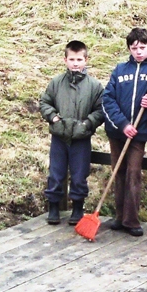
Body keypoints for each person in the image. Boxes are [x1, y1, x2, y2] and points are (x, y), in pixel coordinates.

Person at [102, 27, 147, 237]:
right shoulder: (120, 69)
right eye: (134, 48)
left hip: (140, 131)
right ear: (129, 49)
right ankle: (119, 216)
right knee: (119, 171)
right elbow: (108, 98)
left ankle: (131, 220)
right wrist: (123, 124)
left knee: (133, 172)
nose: (138, 51)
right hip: (118, 130)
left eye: (142, 47)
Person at [40, 40, 104, 226]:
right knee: (56, 173)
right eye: (72, 59)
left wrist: (87, 123)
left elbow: (100, 109)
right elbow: (45, 102)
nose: (75, 63)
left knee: (79, 175)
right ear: (65, 60)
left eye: (79, 59)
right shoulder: (56, 83)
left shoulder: (94, 86)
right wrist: (53, 118)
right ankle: (53, 206)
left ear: (86, 60)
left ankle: (77, 207)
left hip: (81, 138)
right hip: (59, 137)